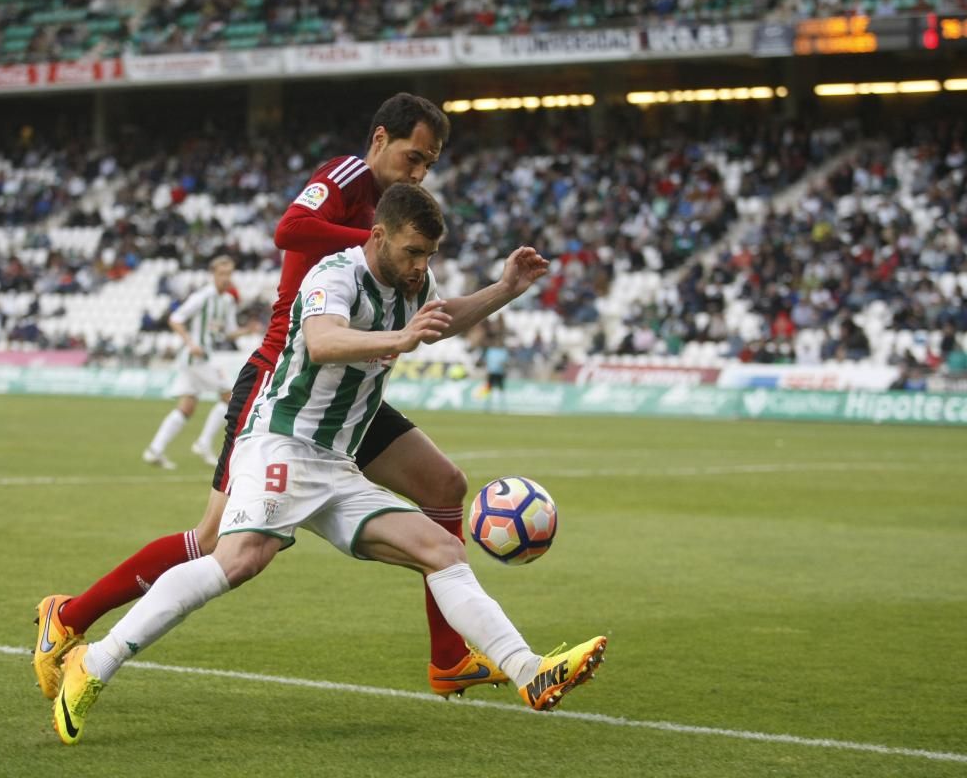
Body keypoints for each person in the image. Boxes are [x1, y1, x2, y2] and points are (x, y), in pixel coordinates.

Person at [51, 184, 607, 744]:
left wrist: (506, 289)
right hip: (282, 443)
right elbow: (321, 341)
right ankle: (93, 663)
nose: (421, 267)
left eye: (429, 256)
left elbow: (441, 317)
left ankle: (529, 671)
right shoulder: (334, 275)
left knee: (442, 550)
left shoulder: (416, 284)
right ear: (379, 236)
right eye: (413, 253)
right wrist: (401, 336)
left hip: (336, 464)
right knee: (239, 558)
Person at [34, 93, 502, 704]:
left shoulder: (396, 218)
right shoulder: (347, 177)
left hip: (347, 394)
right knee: (213, 541)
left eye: (428, 166)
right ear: (381, 138)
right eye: (413, 157)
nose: (417, 173)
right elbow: (290, 228)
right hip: (285, 384)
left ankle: (450, 658)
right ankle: (69, 616)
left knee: (444, 485)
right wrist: (374, 237)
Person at [142, 255, 258, 469]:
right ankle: (203, 443)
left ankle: (154, 450)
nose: (226, 278)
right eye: (221, 274)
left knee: (186, 407)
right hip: (195, 357)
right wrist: (190, 342)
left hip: (202, 359)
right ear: (212, 274)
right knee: (230, 397)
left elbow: (228, 332)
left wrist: (246, 331)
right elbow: (175, 319)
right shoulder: (203, 296)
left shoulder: (227, 301)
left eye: (229, 274)